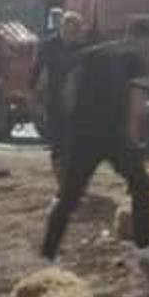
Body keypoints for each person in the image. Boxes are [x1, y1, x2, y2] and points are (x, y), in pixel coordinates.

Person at [41, 19, 149, 263]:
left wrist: (71, 124)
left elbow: (68, 90)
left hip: (83, 133)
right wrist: (133, 139)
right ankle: (144, 246)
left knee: (69, 196)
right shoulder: (136, 58)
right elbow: (136, 102)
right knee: (140, 184)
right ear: (144, 38)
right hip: (113, 134)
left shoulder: (92, 53)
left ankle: (48, 253)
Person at [30, 11, 86, 187]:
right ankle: (61, 180)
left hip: (78, 101)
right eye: (71, 29)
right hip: (54, 99)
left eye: (77, 30)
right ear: (62, 27)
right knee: (57, 140)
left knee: (75, 141)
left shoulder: (83, 48)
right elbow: (36, 71)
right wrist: (34, 95)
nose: (74, 34)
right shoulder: (48, 46)